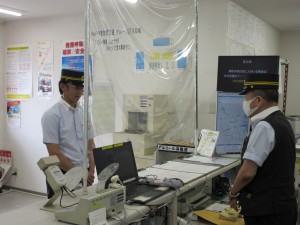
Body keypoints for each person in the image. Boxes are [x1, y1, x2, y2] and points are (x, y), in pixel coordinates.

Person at [229, 73, 297, 225]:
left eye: (246, 98)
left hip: (267, 212)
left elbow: (247, 172)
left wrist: (233, 193)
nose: (245, 103)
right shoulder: (282, 121)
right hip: (283, 207)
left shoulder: (264, 127)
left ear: (258, 101)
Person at [41, 69, 95, 198]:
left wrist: (91, 170)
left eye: (82, 88)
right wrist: (78, 174)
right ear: (63, 87)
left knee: (83, 211)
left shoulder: (83, 113)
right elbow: (54, 152)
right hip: (63, 172)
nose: (80, 92)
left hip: (85, 172)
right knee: (60, 212)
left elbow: (91, 145)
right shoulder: (52, 115)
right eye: (76, 88)